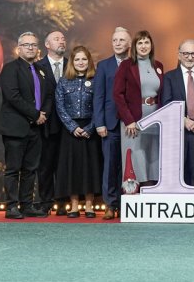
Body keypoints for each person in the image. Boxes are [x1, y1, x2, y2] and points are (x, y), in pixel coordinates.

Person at [0, 32, 52, 219]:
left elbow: (48, 95)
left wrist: (43, 115)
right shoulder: (10, 69)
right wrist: (35, 114)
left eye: (33, 45)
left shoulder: (41, 70)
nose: (30, 48)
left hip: (36, 128)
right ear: (18, 48)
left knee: (30, 169)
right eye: (26, 45)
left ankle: (27, 205)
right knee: (13, 169)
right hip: (15, 127)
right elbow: (13, 97)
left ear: (38, 48)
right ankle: (11, 207)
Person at [54, 45, 101, 218]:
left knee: (90, 167)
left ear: (89, 61)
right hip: (70, 131)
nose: (81, 62)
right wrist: (72, 126)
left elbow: (99, 106)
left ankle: (89, 205)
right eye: (77, 59)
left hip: (90, 129)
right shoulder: (64, 81)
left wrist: (90, 128)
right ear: (72, 62)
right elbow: (60, 107)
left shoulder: (96, 80)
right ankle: (74, 205)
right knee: (71, 167)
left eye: (84, 59)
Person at [112, 30, 164, 186]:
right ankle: (135, 191)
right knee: (136, 155)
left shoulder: (158, 66)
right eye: (139, 43)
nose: (143, 46)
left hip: (155, 118)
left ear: (151, 45)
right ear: (134, 46)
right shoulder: (126, 65)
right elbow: (118, 94)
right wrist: (128, 120)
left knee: (153, 154)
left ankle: (152, 188)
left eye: (146, 42)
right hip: (133, 120)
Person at [161, 39, 194, 189]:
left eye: (193, 54)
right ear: (179, 55)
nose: (190, 57)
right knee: (178, 172)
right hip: (178, 131)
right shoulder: (169, 77)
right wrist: (183, 120)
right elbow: (166, 103)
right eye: (186, 54)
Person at [93, 27, 130, 220]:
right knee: (110, 167)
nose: (117, 43)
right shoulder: (103, 66)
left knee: (129, 166)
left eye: (121, 40)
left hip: (132, 124)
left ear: (129, 44)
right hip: (110, 124)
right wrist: (99, 123)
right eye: (115, 40)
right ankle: (110, 204)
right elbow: (98, 96)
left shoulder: (136, 64)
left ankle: (127, 204)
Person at [35, 30, 67, 215]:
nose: (61, 41)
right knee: (45, 165)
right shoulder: (37, 67)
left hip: (69, 125)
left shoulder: (73, 65)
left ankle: (63, 202)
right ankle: (46, 202)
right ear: (47, 44)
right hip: (46, 124)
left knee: (64, 165)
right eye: (56, 39)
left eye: (63, 39)